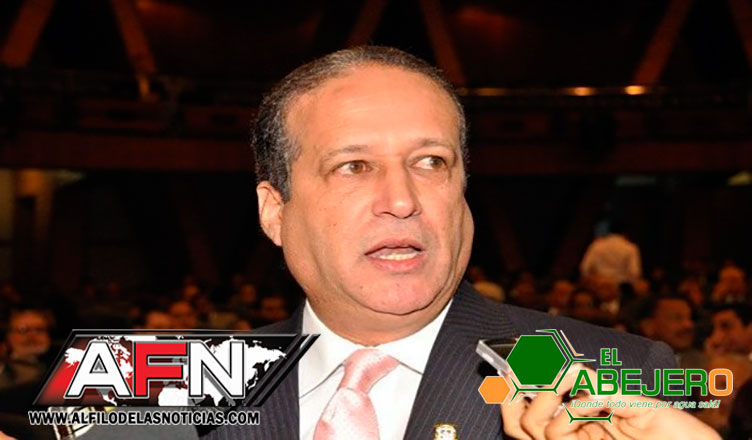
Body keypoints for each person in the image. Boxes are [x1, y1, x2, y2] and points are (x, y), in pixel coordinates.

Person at [205, 46, 717, 440]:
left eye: (431, 162)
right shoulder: (181, 384)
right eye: (354, 167)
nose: (401, 200)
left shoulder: (614, 374)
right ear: (275, 212)